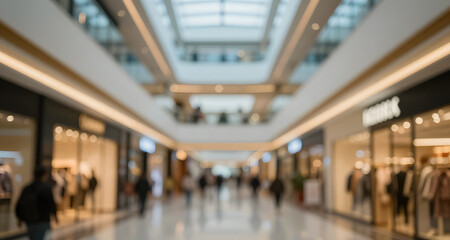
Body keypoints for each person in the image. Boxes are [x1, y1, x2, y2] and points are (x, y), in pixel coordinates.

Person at [16, 166, 57, 240]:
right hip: (42, 220)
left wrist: (20, 218)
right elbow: (51, 204)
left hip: (29, 220)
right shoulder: (46, 188)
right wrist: (55, 216)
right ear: (44, 175)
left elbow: (19, 204)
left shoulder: (27, 188)